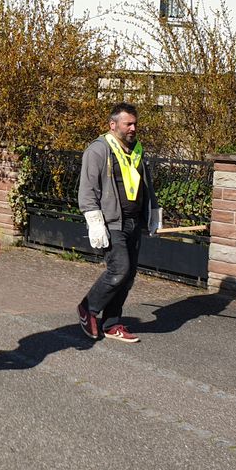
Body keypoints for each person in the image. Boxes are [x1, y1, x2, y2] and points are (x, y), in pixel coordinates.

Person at [76, 102, 162, 343]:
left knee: (129, 275)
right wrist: (94, 222)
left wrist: (153, 214)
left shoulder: (136, 150)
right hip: (111, 221)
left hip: (134, 221)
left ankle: (112, 323)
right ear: (113, 125)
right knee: (119, 269)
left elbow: (146, 185)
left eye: (135, 123)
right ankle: (88, 308)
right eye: (129, 124)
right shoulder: (98, 150)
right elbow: (88, 189)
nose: (134, 128)